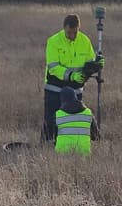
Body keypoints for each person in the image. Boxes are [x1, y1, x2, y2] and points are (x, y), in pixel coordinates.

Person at [43, 14, 102, 143]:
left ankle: (71, 144)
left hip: (75, 91)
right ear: (64, 28)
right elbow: (53, 67)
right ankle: (46, 146)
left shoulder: (84, 41)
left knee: (74, 120)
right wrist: (72, 76)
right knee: (50, 122)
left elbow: (89, 62)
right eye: (69, 32)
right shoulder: (53, 41)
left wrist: (96, 66)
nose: (72, 35)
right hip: (54, 89)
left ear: (78, 28)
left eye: (75, 32)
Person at [54, 86, 96, 156]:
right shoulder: (88, 113)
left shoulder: (58, 115)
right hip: (84, 154)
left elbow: (53, 136)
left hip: (62, 154)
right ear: (75, 97)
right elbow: (95, 136)